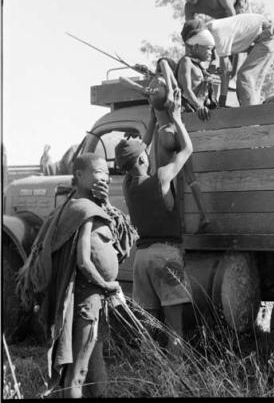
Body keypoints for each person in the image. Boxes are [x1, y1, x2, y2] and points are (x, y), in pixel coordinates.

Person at [17, 153, 137, 398]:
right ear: (80, 175)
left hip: (95, 300)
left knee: (95, 366)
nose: (104, 177)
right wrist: (107, 284)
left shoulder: (93, 207)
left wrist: (105, 204)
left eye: (106, 172)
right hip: (86, 300)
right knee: (77, 374)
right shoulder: (81, 210)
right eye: (97, 172)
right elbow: (83, 261)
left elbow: (124, 240)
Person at [115, 88, 193, 358]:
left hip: (142, 259)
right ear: (141, 159)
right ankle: (175, 377)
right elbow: (186, 150)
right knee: (175, 330)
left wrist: (151, 116)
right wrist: (176, 118)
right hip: (166, 257)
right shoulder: (160, 177)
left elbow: (141, 148)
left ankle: (150, 373)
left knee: (147, 328)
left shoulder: (127, 185)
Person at [119, 59, 212, 233]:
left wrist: (143, 146)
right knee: (192, 178)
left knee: (164, 181)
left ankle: (172, 219)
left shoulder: (154, 90)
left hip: (163, 134)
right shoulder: (174, 88)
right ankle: (204, 215)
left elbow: (122, 79)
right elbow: (165, 64)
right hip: (179, 130)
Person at [173, 0, 251, 107]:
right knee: (209, 41)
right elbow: (190, 35)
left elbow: (231, 16)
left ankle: (233, 77)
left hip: (236, 7)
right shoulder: (189, 8)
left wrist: (224, 47)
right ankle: (222, 73)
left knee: (233, 40)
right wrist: (189, 64)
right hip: (221, 19)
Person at [183, 13, 274, 106]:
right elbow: (216, 64)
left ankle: (252, 121)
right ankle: (255, 114)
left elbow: (226, 70)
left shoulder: (216, 33)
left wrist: (222, 100)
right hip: (259, 37)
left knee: (245, 76)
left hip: (269, 34)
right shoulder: (210, 36)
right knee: (251, 83)